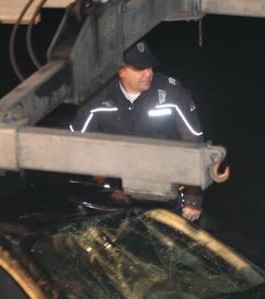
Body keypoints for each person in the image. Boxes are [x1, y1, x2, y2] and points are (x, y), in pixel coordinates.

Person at [70, 40, 206, 222]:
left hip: (166, 188)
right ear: (120, 71)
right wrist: (107, 185)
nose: (148, 73)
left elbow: (194, 144)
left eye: (149, 66)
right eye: (139, 68)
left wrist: (193, 197)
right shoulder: (97, 97)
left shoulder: (172, 93)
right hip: (117, 191)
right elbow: (76, 147)